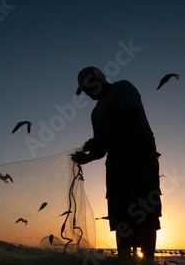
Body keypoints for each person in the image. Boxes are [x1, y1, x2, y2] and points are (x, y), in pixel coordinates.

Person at [72, 66, 161, 260]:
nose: (86, 93)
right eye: (83, 90)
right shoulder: (95, 114)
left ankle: (147, 261)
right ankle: (124, 261)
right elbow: (101, 150)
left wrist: (101, 140)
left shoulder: (122, 88)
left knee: (144, 215)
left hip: (141, 162)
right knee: (121, 219)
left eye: (87, 87)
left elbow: (130, 116)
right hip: (115, 169)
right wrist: (85, 157)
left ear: (98, 79)